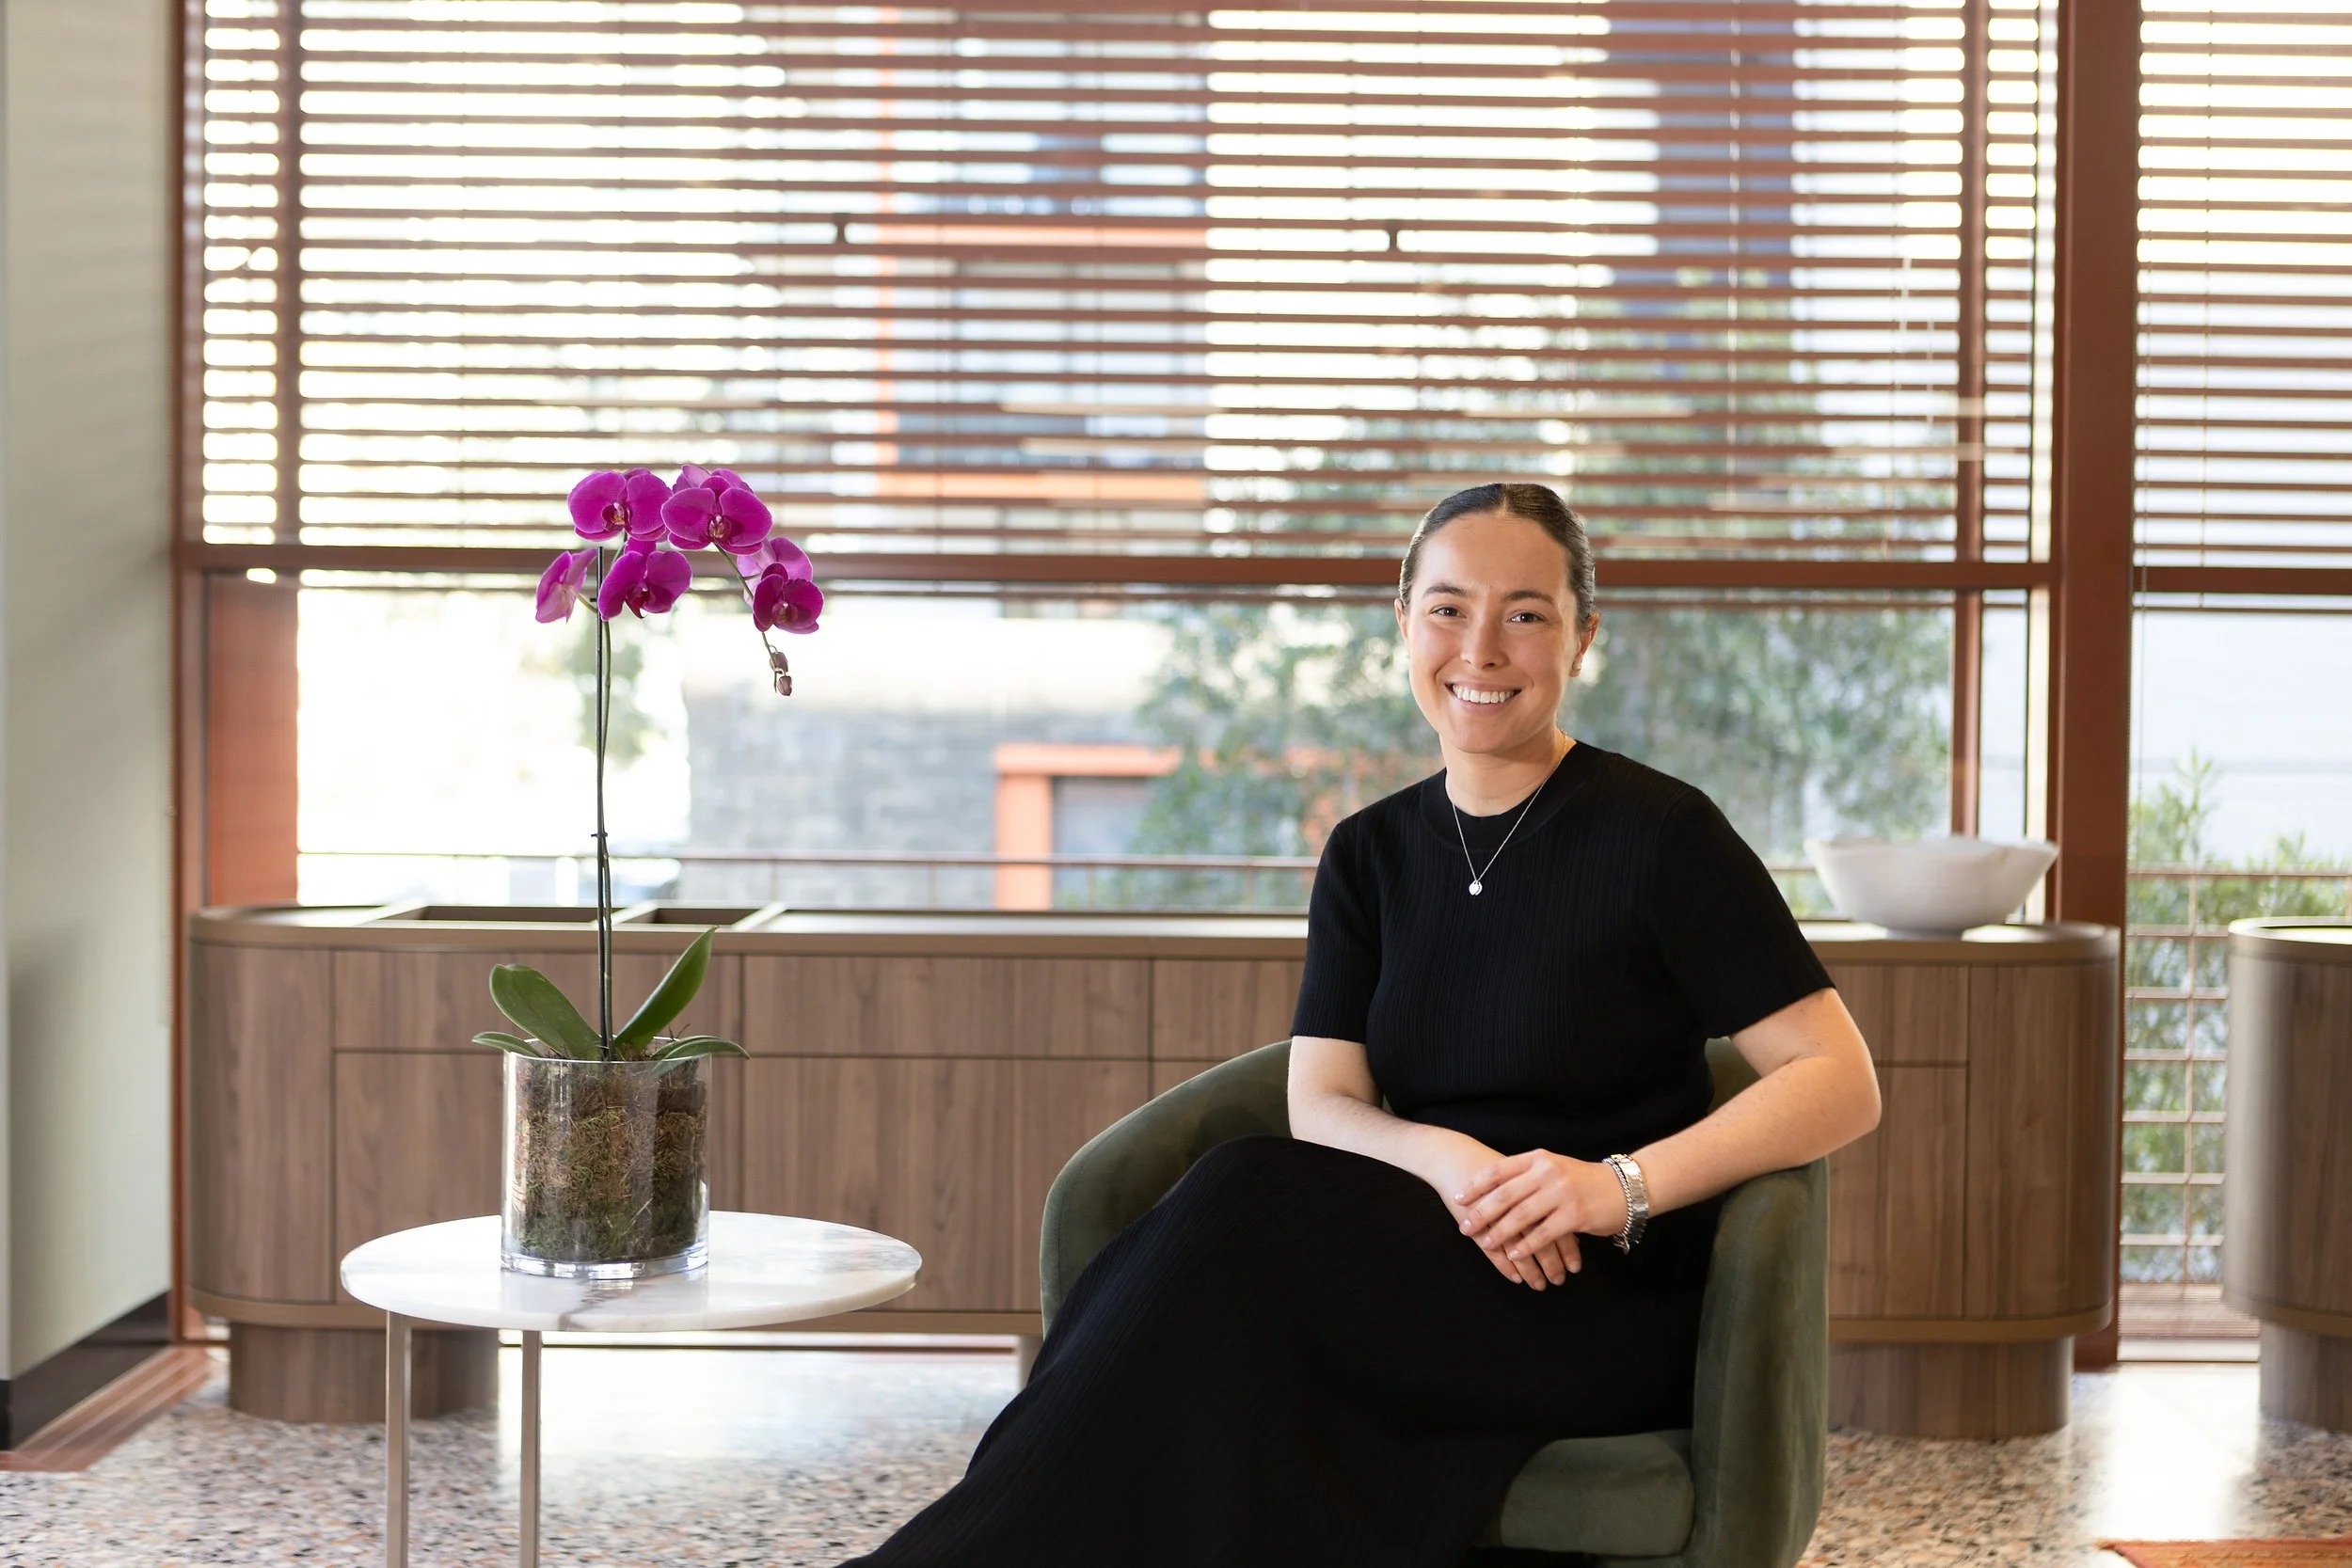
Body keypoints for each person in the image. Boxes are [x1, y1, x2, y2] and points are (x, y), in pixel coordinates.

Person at [842, 482, 1883, 1568]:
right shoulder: (1368, 852)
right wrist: (1450, 1161)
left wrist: (1603, 1184)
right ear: (1402, 624)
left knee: (1235, 1214)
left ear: (1584, 634)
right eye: (1446, 608)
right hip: (1422, 1255)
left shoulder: (1664, 834)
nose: (1480, 646)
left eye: (1525, 612)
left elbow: (1838, 1077)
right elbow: (1323, 1098)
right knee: (1221, 1255)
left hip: (1590, 1291)